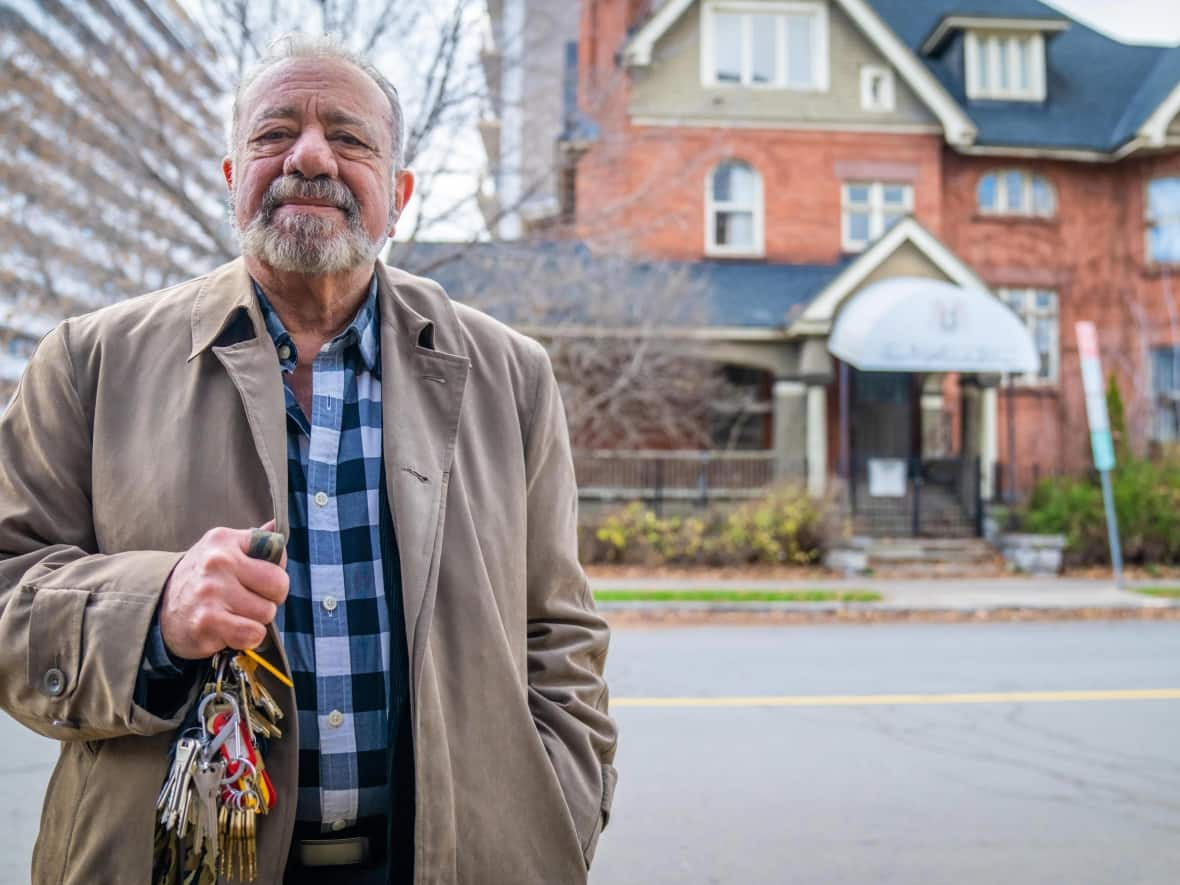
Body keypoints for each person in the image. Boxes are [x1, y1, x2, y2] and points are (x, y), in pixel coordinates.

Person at [0, 34, 616, 884]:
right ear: (231, 178)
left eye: (351, 138)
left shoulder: (510, 377)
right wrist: (152, 612)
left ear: (397, 195)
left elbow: (559, 633)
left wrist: (557, 810)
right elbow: (8, 593)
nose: (311, 155)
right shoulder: (88, 363)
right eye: (273, 133)